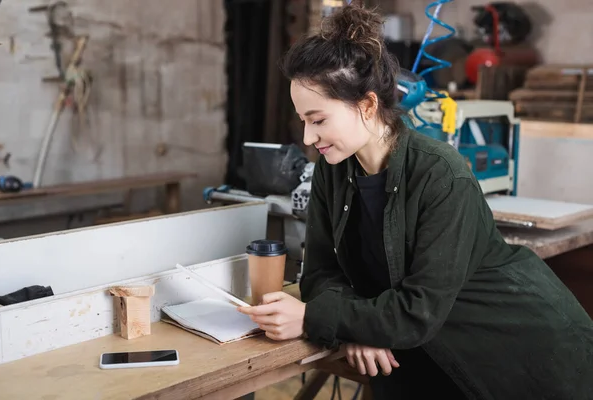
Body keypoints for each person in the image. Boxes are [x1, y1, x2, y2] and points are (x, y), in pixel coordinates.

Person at [237, 4, 593, 399]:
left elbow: (417, 310)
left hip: (514, 352)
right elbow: (320, 274)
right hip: (415, 349)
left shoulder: (441, 173)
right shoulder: (332, 169)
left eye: (318, 120)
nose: (307, 138)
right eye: (303, 120)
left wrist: (314, 318)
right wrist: (352, 325)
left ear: (368, 106)